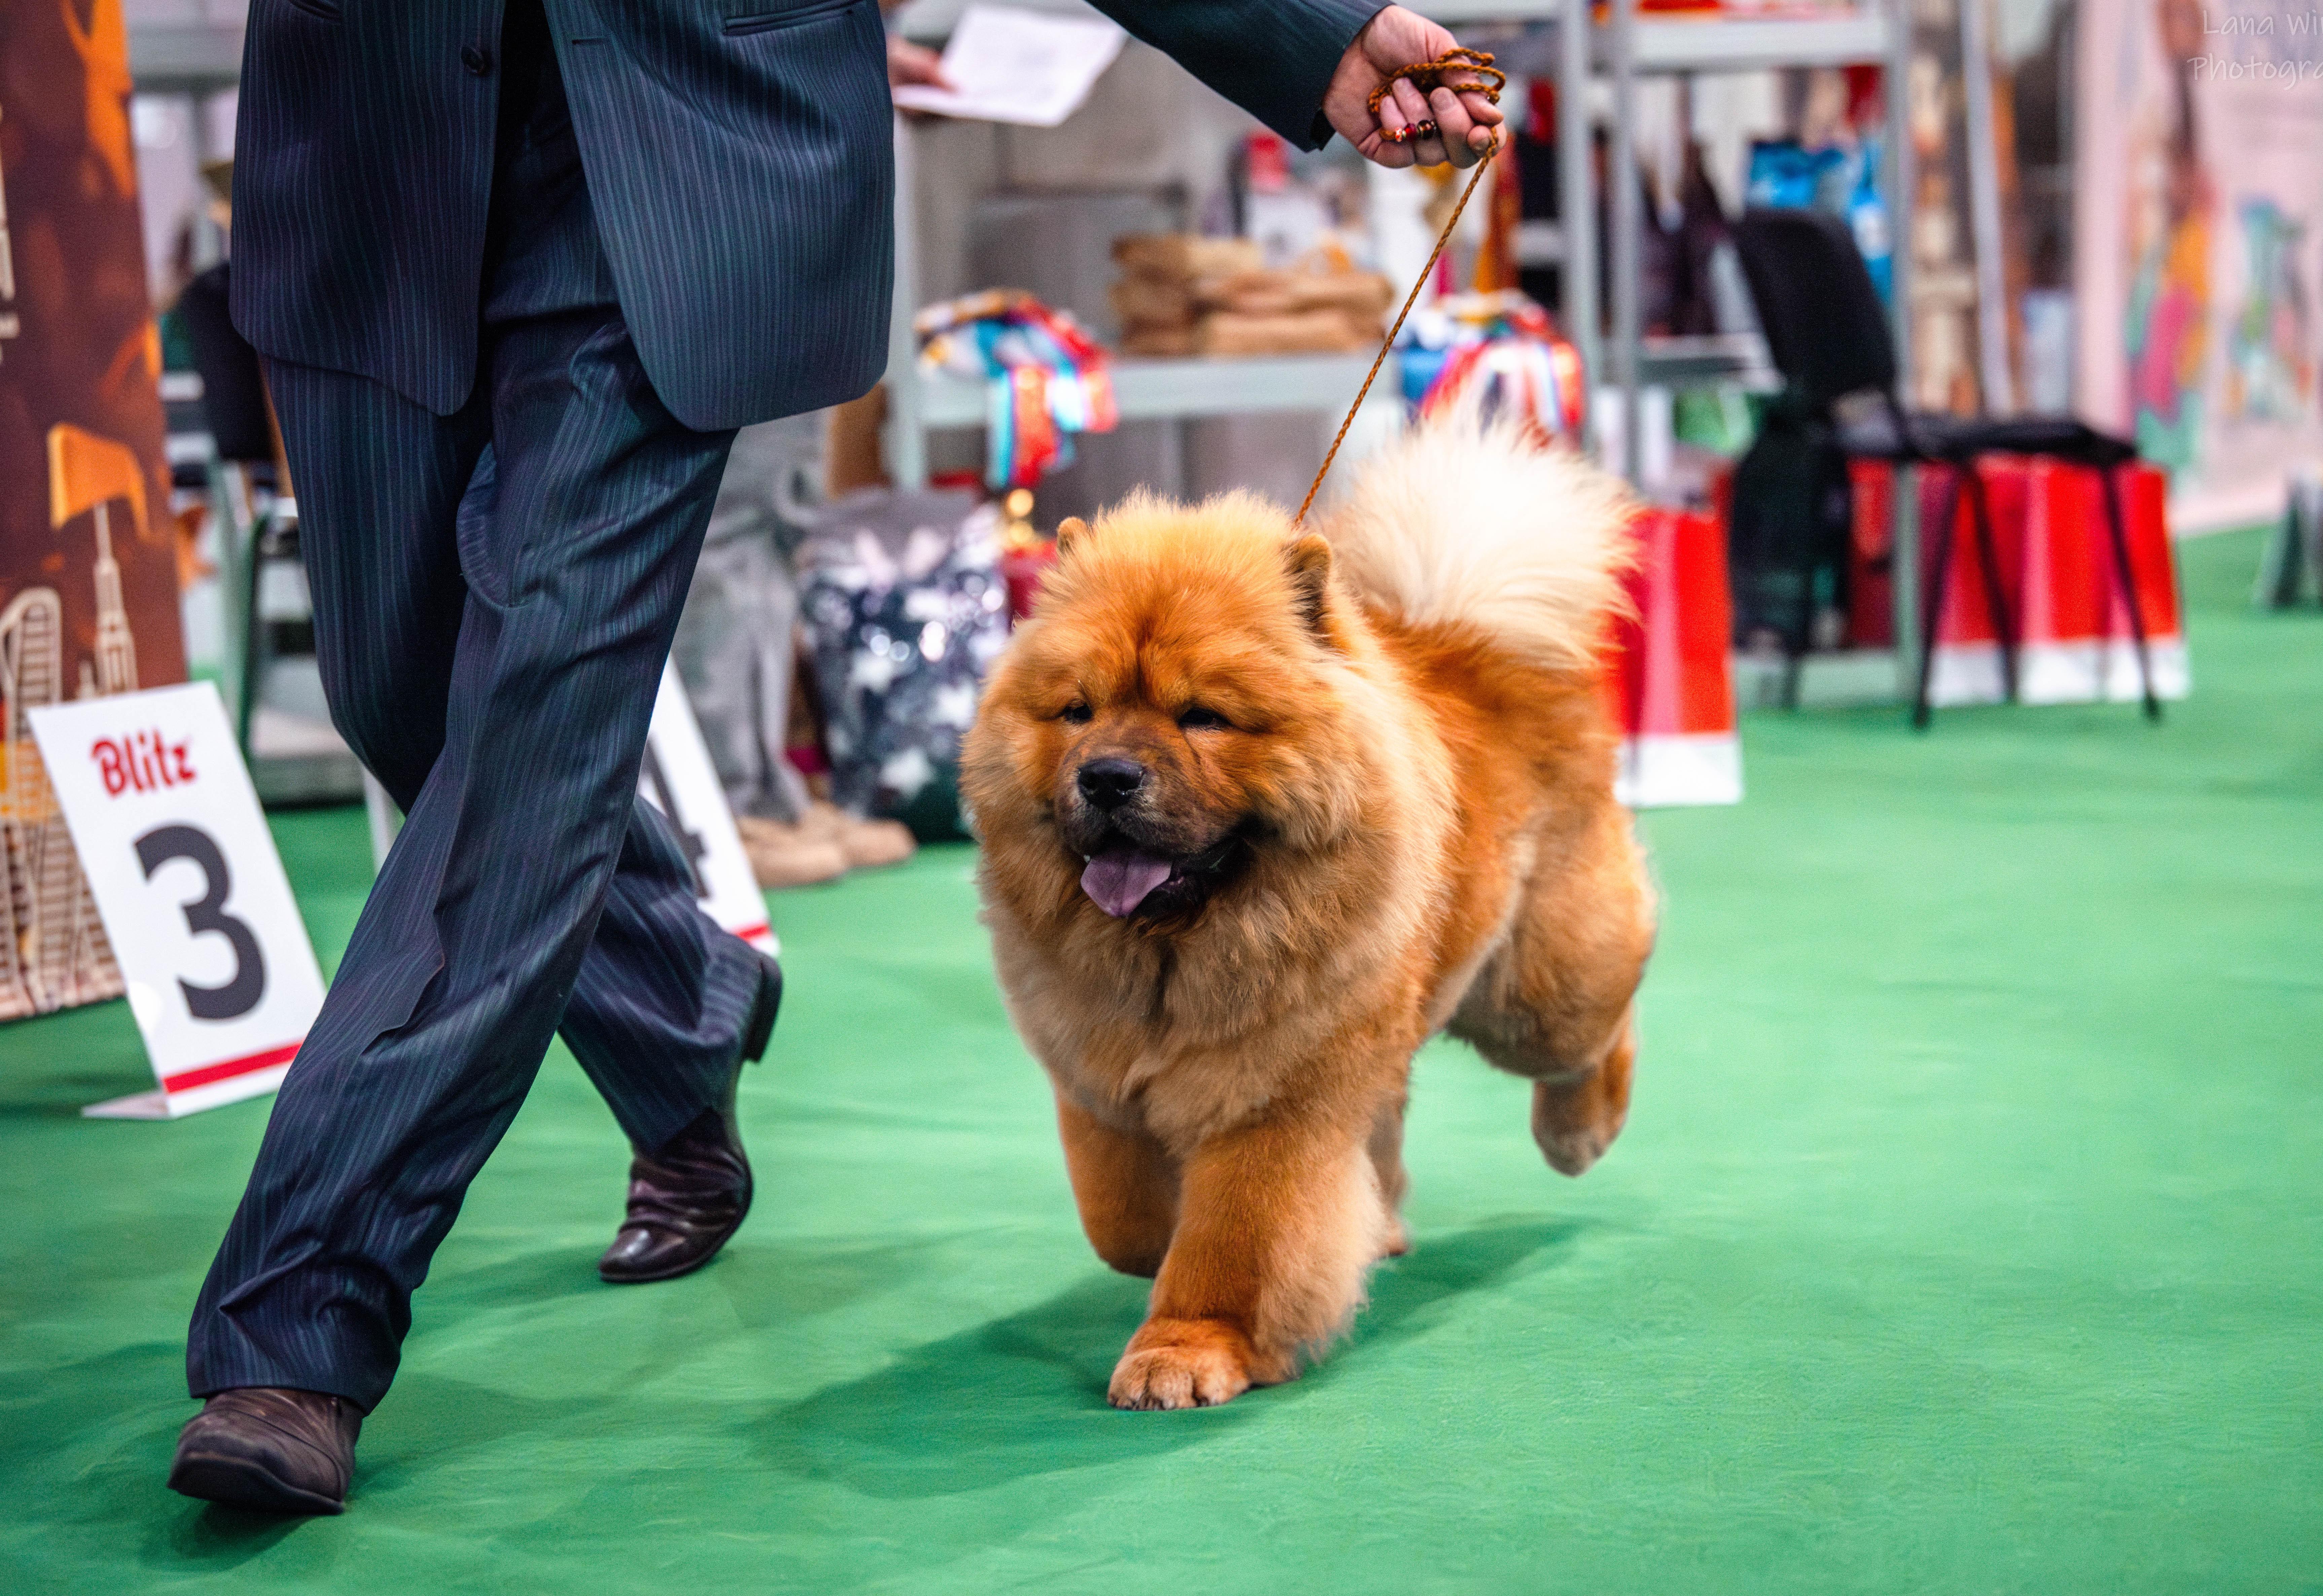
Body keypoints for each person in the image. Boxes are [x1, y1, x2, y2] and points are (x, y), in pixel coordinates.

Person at [167, 0, 1501, 1517]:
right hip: (368, 147)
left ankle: (301, 1320)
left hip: (681, 149)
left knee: (537, 734)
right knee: (406, 701)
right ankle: (684, 1002)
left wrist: (1301, 33)